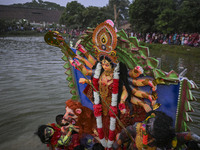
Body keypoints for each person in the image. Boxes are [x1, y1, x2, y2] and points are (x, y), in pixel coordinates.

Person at [112, 111, 200, 150]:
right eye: (147, 123)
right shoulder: (139, 127)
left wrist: (189, 136)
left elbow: (177, 138)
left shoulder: (162, 143)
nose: (145, 128)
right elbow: (127, 131)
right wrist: (119, 141)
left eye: (148, 130)